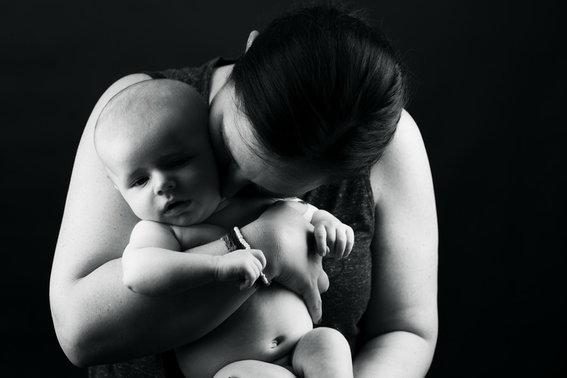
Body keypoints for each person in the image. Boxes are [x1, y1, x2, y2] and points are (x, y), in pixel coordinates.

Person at [50, 4, 438, 378]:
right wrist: (264, 243)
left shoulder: (387, 145)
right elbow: (79, 335)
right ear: (251, 50)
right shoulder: (135, 117)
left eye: (262, 187)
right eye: (222, 140)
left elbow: (405, 331)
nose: (228, 184)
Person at [93, 77, 355, 377]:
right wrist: (217, 265)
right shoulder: (161, 231)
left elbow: (301, 213)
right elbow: (139, 273)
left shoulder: (251, 199)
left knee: (330, 341)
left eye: (178, 162)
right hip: (232, 368)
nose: (163, 185)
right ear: (118, 188)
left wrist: (327, 225)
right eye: (140, 181)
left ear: (214, 149)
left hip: (302, 344)